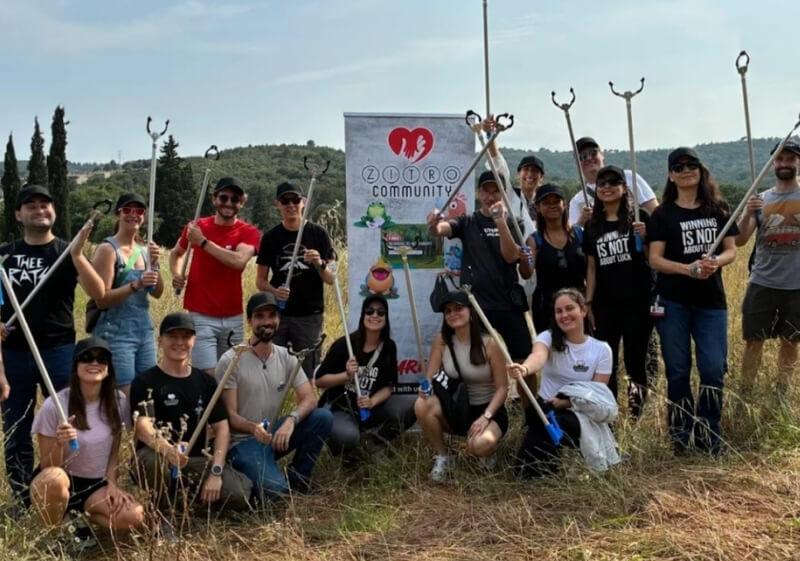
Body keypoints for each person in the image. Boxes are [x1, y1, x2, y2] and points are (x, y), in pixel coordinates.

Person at [0, 184, 105, 501]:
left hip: (59, 351)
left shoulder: (66, 251)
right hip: (14, 354)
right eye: (30, 205)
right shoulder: (4, 255)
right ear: (19, 214)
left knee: (69, 424)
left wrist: (76, 255)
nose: (38, 209)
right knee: (17, 429)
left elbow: (98, 293)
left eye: (44, 204)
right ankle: (22, 497)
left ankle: (72, 493)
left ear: (54, 211)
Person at [649, 147, 737, 455]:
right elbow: (655, 259)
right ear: (671, 175)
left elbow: (732, 250)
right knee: (678, 369)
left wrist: (716, 262)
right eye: (679, 166)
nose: (686, 170)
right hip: (673, 303)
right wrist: (687, 269)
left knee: (713, 368)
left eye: (691, 165)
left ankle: (709, 432)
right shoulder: (662, 214)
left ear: (701, 171)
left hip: (711, 303)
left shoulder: (718, 208)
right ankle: (680, 434)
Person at [131, 313, 251, 511]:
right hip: (159, 457)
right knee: (153, 462)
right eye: (173, 337)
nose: (180, 343)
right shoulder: (145, 382)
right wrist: (168, 450)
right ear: (160, 341)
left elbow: (222, 429)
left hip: (195, 460)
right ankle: (161, 516)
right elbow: (143, 428)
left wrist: (216, 473)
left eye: (186, 337)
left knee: (240, 493)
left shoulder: (205, 382)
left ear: (194, 341)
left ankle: (183, 502)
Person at [218, 293, 333, 499]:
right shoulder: (232, 359)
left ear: (279, 319)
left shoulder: (286, 356)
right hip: (242, 442)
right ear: (249, 321)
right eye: (259, 316)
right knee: (275, 491)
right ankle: (251, 477)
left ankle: (298, 478)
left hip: (272, 434)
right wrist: (253, 428)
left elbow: (309, 398)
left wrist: (291, 420)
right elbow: (230, 417)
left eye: (272, 315)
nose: (267, 322)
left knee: (322, 417)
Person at [29, 337, 143, 538]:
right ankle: (56, 534)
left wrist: (112, 484)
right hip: (60, 482)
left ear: (108, 368)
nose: (94, 363)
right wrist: (59, 443)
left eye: (102, 359)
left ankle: (81, 519)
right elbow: (48, 466)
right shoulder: (54, 405)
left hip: (95, 484)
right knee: (55, 478)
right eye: (86, 358)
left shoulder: (118, 402)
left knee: (133, 517)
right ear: (75, 366)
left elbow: (113, 453)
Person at [427, 171, 534, 361]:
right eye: (486, 191)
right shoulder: (467, 221)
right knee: (474, 359)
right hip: (476, 304)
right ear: (479, 193)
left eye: (496, 191)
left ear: (503, 194)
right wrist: (434, 223)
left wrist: (500, 221)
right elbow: (440, 230)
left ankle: (527, 392)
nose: (491, 197)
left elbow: (510, 257)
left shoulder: (515, 223)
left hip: (508, 303)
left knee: (523, 359)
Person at [508, 288, 614, 479]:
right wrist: (524, 369)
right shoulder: (547, 337)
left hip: (579, 413)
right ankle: (552, 462)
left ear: (583, 310)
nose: (564, 315)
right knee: (524, 473)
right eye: (559, 311)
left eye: (569, 308)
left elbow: (597, 396)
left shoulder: (601, 350)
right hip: (545, 411)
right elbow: (537, 357)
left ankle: (571, 457)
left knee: (558, 420)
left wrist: (566, 403)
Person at [414, 291, 509, 483]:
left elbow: (503, 388)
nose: (453, 314)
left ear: (471, 311)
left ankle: (487, 452)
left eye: (459, 308)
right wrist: (425, 388)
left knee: (480, 445)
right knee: (421, 404)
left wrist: (486, 416)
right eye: (448, 311)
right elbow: (429, 377)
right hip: (458, 408)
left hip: (489, 410)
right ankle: (444, 457)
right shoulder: (442, 341)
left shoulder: (490, 343)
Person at [169, 177, 261, 374]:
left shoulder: (248, 232)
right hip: (200, 313)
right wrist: (177, 274)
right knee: (207, 374)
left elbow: (238, 262)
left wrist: (203, 242)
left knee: (231, 374)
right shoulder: (196, 226)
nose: (228, 203)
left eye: (234, 199)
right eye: (224, 198)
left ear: (242, 203)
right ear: (214, 199)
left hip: (232, 315)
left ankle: (226, 406)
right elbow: (176, 253)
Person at [584, 165, 653, 417]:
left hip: (637, 302)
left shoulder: (639, 217)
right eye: (602, 183)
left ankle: (636, 414)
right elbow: (591, 268)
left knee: (636, 361)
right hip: (605, 304)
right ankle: (609, 413)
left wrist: (645, 238)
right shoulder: (592, 226)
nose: (607, 187)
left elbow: (652, 260)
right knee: (607, 362)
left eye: (614, 182)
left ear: (624, 188)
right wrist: (588, 303)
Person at [735, 140, 800, 399]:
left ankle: (781, 394)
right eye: (780, 160)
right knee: (753, 341)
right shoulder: (760, 199)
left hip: (796, 284)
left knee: (791, 342)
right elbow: (739, 240)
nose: (784, 164)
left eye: (790, 159)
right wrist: (748, 214)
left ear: (798, 162)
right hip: (762, 282)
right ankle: (746, 393)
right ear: (773, 164)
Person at [314, 295, 416, 457]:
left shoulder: (388, 347)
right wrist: (346, 376)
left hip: (369, 409)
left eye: (381, 313)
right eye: (369, 311)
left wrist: (372, 402)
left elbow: (388, 386)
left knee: (413, 403)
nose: (375, 316)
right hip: (341, 409)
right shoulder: (344, 344)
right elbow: (319, 381)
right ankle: (337, 446)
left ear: (386, 318)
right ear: (363, 315)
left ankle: (376, 442)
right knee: (348, 437)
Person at [256, 181, 335, 374]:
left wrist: (319, 263)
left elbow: (331, 278)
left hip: (309, 315)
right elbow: (260, 281)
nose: (291, 204)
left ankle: (308, 404)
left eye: (295, 199)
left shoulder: (319, 234)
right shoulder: (270, 237)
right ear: (278, 204)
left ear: (303, 202)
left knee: (309, 371)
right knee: (272, 370)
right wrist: (274, 291)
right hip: (277, 315)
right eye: (285, 200)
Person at [91, 193, 163, 396]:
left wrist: (155, 264)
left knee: (148, 389)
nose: (134, 215)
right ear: (118, 214)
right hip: (116, 332)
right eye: (128, 210)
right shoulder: (107, 250)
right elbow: (102, 299)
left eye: (139, 211)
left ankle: (146, 429)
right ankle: (125, 428)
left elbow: (157, 292)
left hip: (144, 331)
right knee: (124, 392)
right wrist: (136, 284)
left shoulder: (144, 251)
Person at [530, 184, 586, 333]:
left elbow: (592, 269)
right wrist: (525, 259)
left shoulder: (580, 234)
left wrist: (590, 302)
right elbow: (526, 272)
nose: (552, 206)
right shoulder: (534, 240)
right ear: (538, 208)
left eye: (556, 201)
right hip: (547, 308)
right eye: (546, 203)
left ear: (564, 204)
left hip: (579, 304)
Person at [568, 137, 658, 226]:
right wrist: (582, 221)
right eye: (582, 156)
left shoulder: (629, 177)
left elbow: (655, 212)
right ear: (577, 163)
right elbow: (575, 236)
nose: (589, 158)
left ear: (602, 154)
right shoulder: (576, 202)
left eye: (593, 152)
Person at [516, 155, 546, 221]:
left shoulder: (545, 202)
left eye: (534, 171)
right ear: (518, 174)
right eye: (526, 169)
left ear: (541, 177)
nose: (530, 174)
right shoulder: (510, 197)